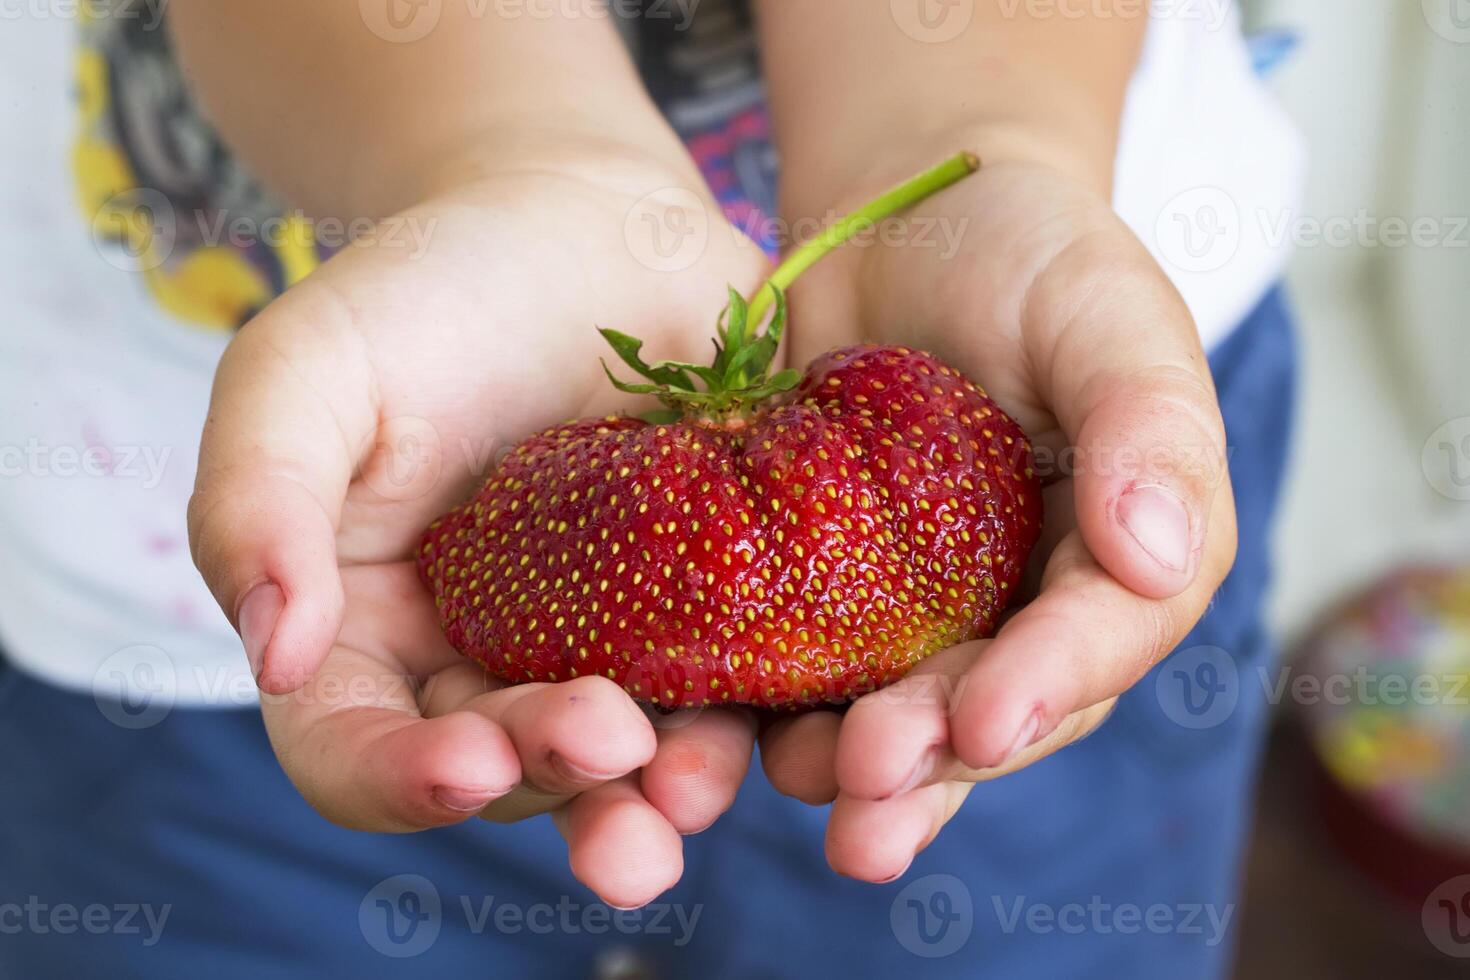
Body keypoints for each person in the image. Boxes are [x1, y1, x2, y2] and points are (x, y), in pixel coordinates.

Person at [0, 1, 1302, 976]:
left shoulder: (946, 429)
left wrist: (963, 147)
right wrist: (525, 165)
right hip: (246, 574)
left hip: (1046, 387)